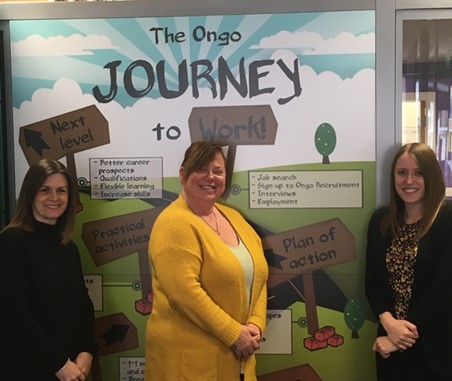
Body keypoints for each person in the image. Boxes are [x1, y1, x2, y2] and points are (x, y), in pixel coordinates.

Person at [145, 141, 268, 381]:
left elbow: (259, 275)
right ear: (183, 174)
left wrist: (256, 324)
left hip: (237, 360)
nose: (210, 177)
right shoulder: (173, 223)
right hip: (189, 365)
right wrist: (234, 334)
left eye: (218, 171)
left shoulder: (234, 217)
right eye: (200, 168)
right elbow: (185, 293)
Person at [0, 159, 97, 381]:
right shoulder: (11, 242)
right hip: (27, 369)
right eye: (45, 190)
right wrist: (59, 363)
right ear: (30, 194)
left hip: (71, 370)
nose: (54, 198)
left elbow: (83, 303)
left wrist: (87, 350)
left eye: (61, 191)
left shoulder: (68, 247)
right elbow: (14, 312)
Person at [365, 142, 452, 381]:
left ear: (431, 176)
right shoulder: (381, 220)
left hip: (434, 348)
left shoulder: (446, 218)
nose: (408, 181)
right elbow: (371, 281)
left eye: (418, 173)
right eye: (402, 173)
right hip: (389, 350)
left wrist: (399, 338)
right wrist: (388, 322)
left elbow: (444, 288)